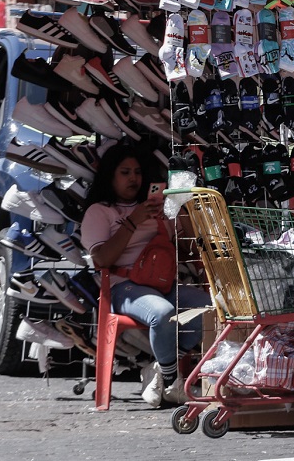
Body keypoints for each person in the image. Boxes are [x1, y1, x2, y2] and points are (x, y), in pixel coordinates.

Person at [80, 144, 212, 409]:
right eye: (125, 172)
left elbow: (186, 247)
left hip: (161, 283)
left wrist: (178, 210)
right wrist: (132, 222)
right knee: (162, 313)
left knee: (212, 308)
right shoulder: (100, 211)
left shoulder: (153, 208)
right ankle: (173, 381)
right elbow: (102, 259)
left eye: (138, 172)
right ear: (110, 176)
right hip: (123, 287)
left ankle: (160, 370)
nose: (133, 179)